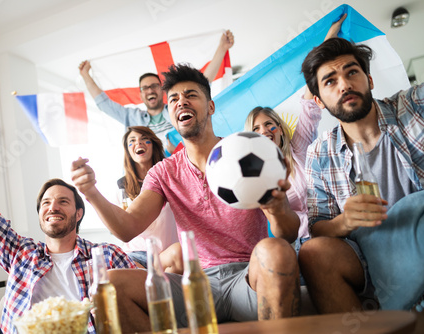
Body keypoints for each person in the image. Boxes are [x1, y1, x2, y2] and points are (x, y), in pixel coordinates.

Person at [71, 64, 300, 332]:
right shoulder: (164, 172)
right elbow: (126, 228)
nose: (181, 102)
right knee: (110, 284)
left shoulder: (246, 152)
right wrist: (91, 192)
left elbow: (288, 234)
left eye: (191, 95)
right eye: (174, 100)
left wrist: (277, 209)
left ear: (211, 107)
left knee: (277, 250)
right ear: (170, 114)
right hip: (197, 284)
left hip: (249, 277)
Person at [0, 122, 137, 334]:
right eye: (46, 203)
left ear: (78, 214)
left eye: (63, 202)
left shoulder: (106, 255)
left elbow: (145, 297)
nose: (53, 207)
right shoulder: (21, 253)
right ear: (40, 215)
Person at [298, 37, 424, 314]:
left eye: (352, 72)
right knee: (313, 253)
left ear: (369, 80)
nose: (344, 85)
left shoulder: (414, 105)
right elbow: (318, 225)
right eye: (330, 81)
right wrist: (345, 221)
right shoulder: (319, 153)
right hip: (375, 255)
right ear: (319, 101)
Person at [244, 14, 346, 251]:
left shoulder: (298, 145)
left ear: (280, 128)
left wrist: (330, 36)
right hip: (303, 243)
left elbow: (311, 90)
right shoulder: (256, 176)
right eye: (256, 129)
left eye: (269, 124)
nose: (265, 131)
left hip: (338, 225)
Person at [78, 30, 234, 154]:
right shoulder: (131, 118)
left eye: (154, 85)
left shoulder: (177, 109)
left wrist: (222, 49)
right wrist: (86, 76)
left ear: (162, 90)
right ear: (140, 94)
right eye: (145, 88)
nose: (150, 90)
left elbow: (202, 83)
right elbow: (104, 104)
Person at [117, 125, 181, 272]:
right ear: (128, 150)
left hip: (169, 254)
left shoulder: (171, 176)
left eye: (144, 139)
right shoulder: (121, 187)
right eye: (132, 141)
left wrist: (174, 152)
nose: (138, 143)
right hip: (137, 254)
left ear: (154, 145)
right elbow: (120, 229)